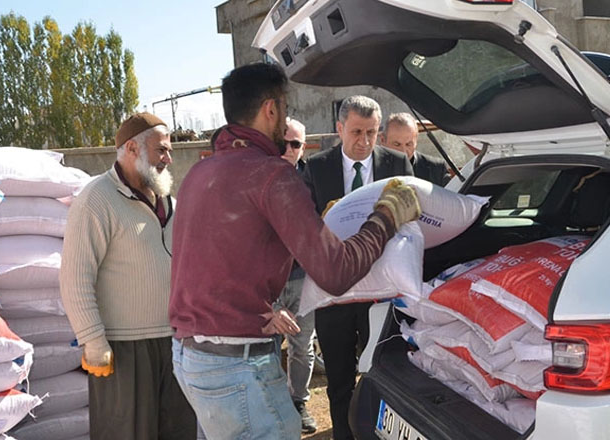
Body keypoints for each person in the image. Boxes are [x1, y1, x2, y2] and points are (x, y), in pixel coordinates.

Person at [169, 63, 421, 440]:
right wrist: (386, 215)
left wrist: (256, 309)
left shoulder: (200, 174)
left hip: (190, 356)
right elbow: (335, 272)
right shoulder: (270, 174)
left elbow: (211, 263)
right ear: (271, 109)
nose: (285, 121)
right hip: (235, 365)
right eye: (284, 110)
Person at [60, 112, 196, 440]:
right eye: (161, 150)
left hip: (175, 344)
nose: (169, 157)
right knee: (126, 433)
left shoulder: (171, 204)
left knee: (179, 431)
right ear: (132, 149)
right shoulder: (97, 199)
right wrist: (93, 341)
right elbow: (75, 277)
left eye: (170, 151)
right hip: (123, 350)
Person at [301, 95, 413, 440]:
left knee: (383, 373)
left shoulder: (396, 163)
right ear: (339, 129)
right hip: (335, 294)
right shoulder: (315, 167)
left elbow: (411, 217)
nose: (364, 141)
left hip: (382, 293)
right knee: (338, 378)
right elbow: (303, 226)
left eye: (372, 133)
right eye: (356, 132)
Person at [275, 117, 317, 434]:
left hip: (305, 279)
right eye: (283, 143)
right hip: (269, 281)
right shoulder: (256, 178)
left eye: (296, 144)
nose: (288, 150)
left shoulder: (314, 179)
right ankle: (274, 405)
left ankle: (298, 402)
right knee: (268, 347)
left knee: (302, 346)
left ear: (303, 147)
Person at [380, 112, 450, 186]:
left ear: (416, 141)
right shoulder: (370, 168)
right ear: (382, 140)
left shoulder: (436, 170)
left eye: (408, 144)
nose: (403, 151)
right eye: (397, 144)